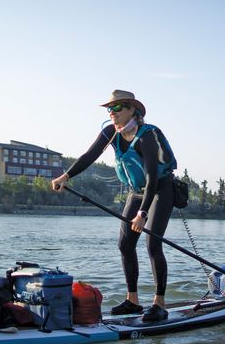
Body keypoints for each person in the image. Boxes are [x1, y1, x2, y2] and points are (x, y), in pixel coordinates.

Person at [52, 90, 177, 322]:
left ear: (133, 110)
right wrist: (66, 176)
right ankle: (133, 301)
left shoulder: (147, 135)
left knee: (153, 245)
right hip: (136, 191)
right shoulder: (111, 132)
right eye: (110, 109)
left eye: (117, 108)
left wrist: (142, 213)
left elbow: (151, 178)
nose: (112, 113)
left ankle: (159, 304)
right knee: (125, 244)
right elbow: (89, 155)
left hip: (160, 190)